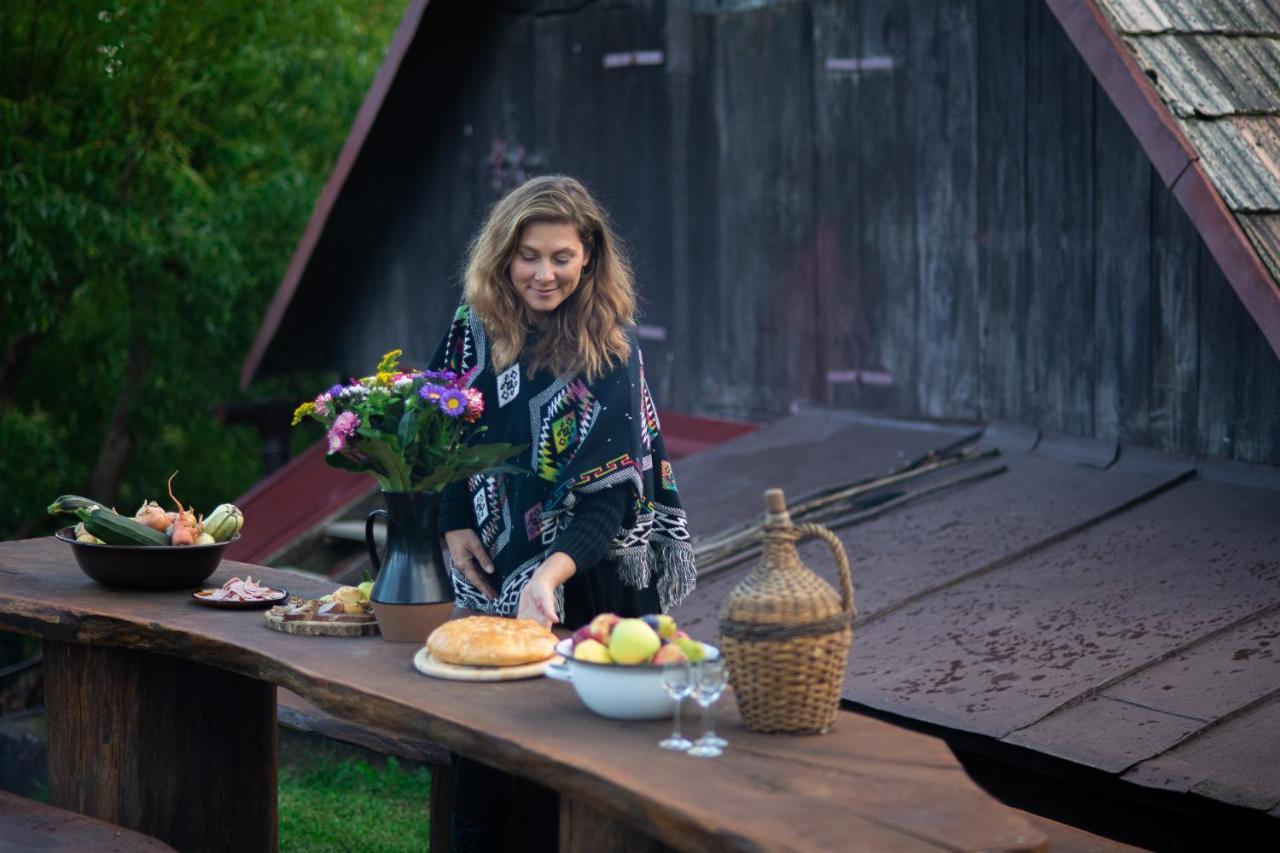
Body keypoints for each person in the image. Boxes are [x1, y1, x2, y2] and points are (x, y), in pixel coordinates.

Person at [427, 175, 695, 852]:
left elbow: (612, 497)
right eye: (529, 255)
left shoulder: (609, 350)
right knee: (482, 762)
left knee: (557, 778)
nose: (544, 274)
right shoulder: (474, 325)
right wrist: (454, 519)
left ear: (589, 258)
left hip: (585, 576)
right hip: (490, 569)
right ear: (503, 255)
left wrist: (547, 577)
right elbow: (437, 419)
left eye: (562, 257)